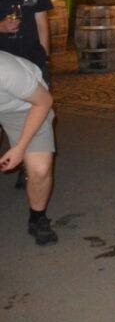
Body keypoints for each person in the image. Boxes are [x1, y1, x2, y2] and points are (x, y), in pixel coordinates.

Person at [0, 50, 58, 245]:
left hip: (25, 107)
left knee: (39, 169)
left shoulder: (5, 69)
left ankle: (37, 217)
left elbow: (44, 102)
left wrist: (20, 148)